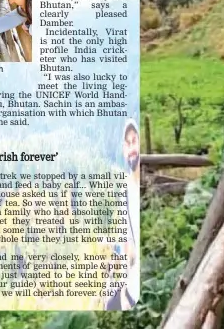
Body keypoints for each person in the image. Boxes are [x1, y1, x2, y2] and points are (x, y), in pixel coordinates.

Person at [105, 120, 140, 311]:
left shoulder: (145, 189)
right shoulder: (125, 190)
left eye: (134, 141)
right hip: (130, 284)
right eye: (127, 143)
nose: (131, 148)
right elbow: (124, 240)